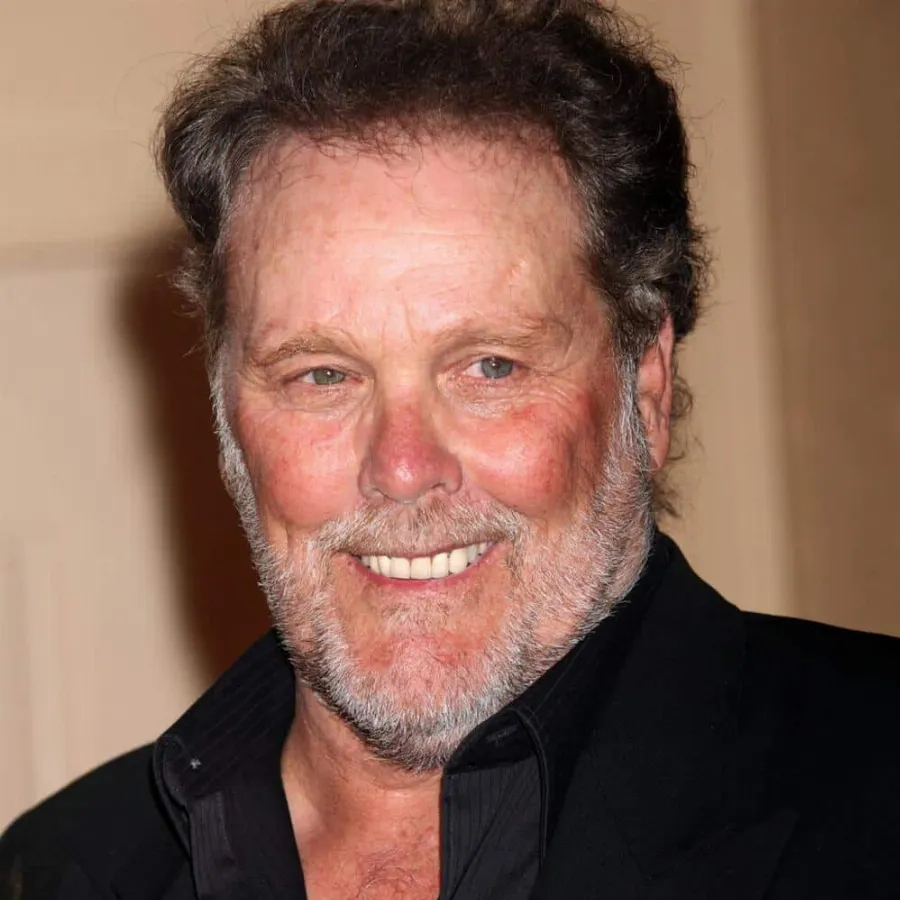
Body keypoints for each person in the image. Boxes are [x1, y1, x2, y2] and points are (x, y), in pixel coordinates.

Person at [2, 1, 899, 897]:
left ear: (646, 388)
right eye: (323, 374)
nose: (402, 467)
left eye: (490, 366)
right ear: (226, 412)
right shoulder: (59, 869)